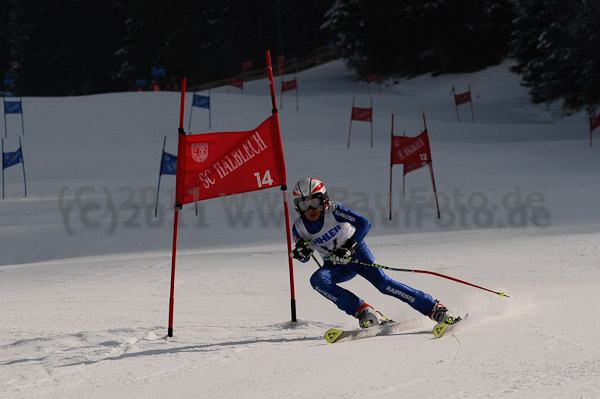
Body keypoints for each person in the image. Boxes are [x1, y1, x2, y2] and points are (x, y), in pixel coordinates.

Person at [290, 177, 455, 329]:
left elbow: (364, 223)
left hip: (356, 255)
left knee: (384, 284)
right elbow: (304, 258)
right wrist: (301, 253)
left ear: (324, 200)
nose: (311, 209)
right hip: (336, 265)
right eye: (305, 205)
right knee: (317, 280)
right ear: (298, 207)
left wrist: (348, 246)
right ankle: (364, 311)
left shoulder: (334, 211)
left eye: (315, 203)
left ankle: (434, 308)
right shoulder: (299, 228)